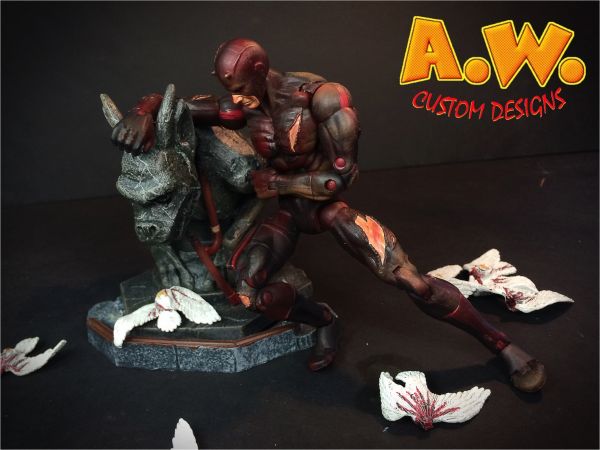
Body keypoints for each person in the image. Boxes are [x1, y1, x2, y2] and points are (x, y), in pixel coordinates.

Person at [111, 38, 546, 392]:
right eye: (229, 88)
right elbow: (176, 107)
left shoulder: (322, 98)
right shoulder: (241, 105)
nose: (235, 98)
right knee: (248, 292)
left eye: (240, 86)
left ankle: (501, 344)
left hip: (328, 210)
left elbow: (338, 181)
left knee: (409, 279)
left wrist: (277, 184)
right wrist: (141, 112)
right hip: (285, 216)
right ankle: (324, 320)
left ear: (260, 71)